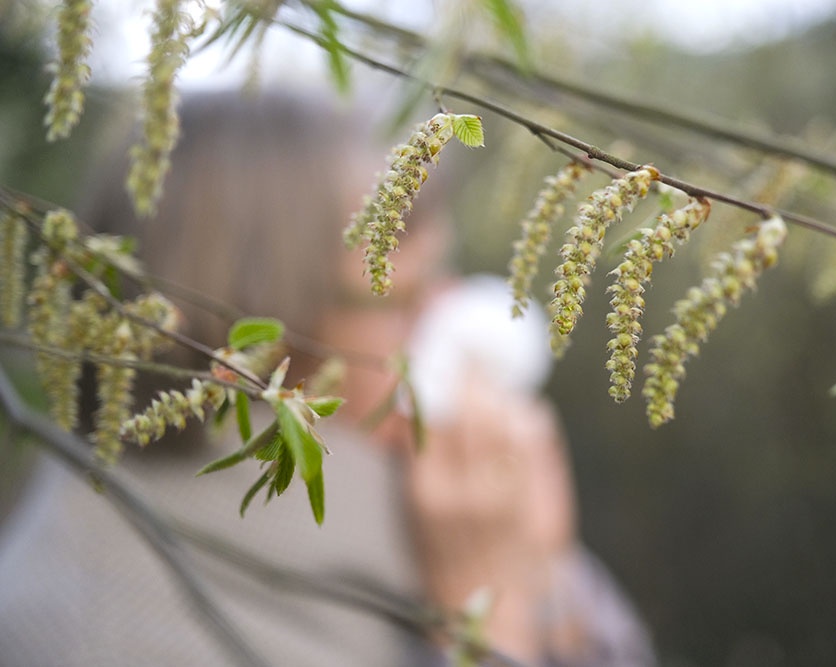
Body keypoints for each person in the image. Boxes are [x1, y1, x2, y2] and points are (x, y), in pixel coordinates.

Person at [0, 89, 656, 666]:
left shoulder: (390, 536)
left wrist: (543, 576)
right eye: (407, 294)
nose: (453, 317)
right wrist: (494, 624)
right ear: (267, 345)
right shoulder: (104, 634)